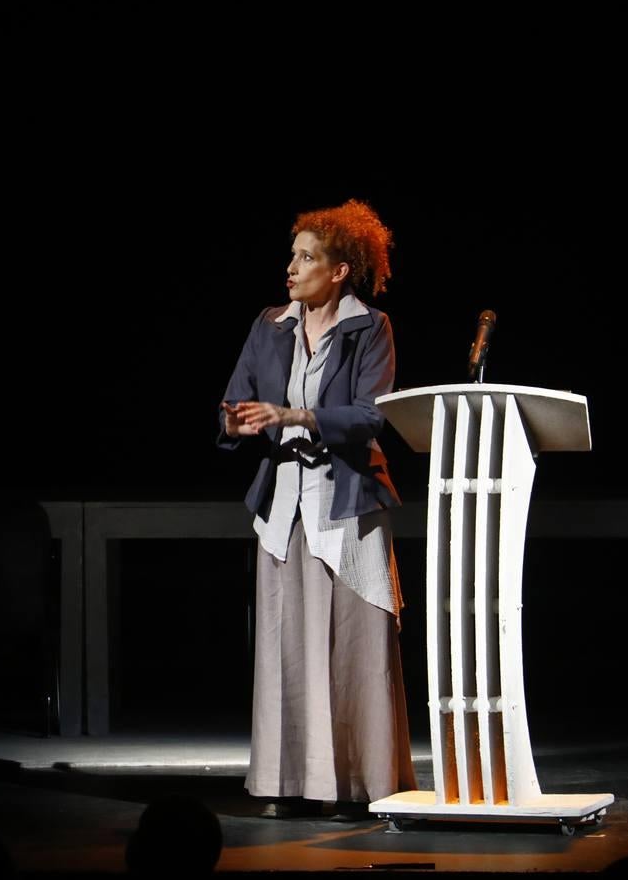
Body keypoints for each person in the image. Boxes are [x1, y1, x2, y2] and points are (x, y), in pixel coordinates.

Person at [217, 198, 416, 820]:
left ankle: (357, 784)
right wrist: (238, 421)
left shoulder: (369, 328)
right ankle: (289, 781)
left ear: (338, 271)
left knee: (352, 644)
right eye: (292, 255)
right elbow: (236, 399)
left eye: (306, 257)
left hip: (346, 502)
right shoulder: (269, 324)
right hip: (283, 504)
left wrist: (297, 415)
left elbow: (371, 415)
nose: (291, 267)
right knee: (287, 645)